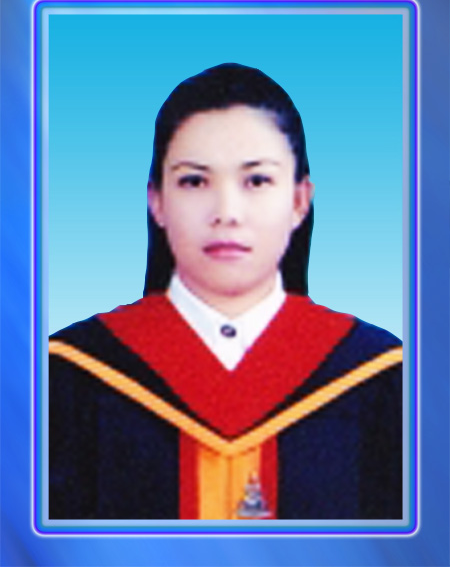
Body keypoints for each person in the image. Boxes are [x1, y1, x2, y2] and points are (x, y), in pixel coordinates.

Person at [49, 63, 402, 520]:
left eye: (257, 180)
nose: (227, 212)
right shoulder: (68, 374)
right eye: (194, 181)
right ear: (157, 202)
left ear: (299, 201)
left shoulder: (382, 376)